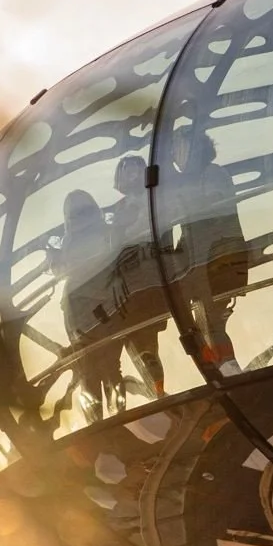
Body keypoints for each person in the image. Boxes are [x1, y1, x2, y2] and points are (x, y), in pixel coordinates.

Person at [169, 120, 248, 374]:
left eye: (178, 149)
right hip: (204, 261)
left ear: (194, 149)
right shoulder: (197, 179)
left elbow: (211, 212)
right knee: (207, 324)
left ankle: (228, 370)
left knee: (211, 323)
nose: (175, 156)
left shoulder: (213, 174)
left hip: (217, 258)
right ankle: (222, 367)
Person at [54, 189, 124, 420]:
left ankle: (99, 425)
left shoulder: (70, 241)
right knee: (109, 366)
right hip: (102, 309)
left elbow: (64, 269)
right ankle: (115, 418)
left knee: (89, 370)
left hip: (81, 312)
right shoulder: (107, 232)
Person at [110, 152, 168, 397]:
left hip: (146, 285)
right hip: (127, 287)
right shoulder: (121, 208)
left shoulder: (153, 200)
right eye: (127, 170)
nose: (131, 174)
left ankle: (156, 392)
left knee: (145, 346)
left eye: (135, 169)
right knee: (138, 345)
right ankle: (153, 391)